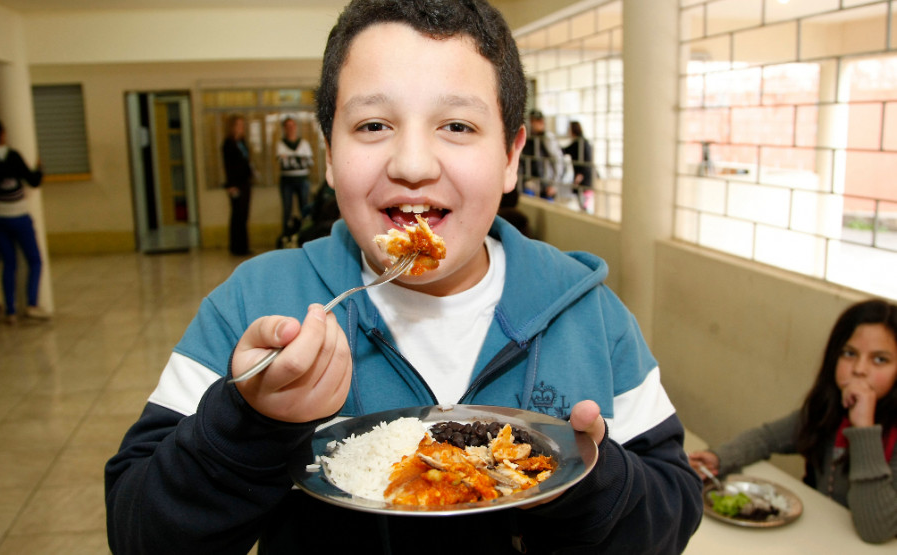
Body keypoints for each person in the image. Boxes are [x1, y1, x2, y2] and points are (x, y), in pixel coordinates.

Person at [105, 1, 702, 553]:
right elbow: (140, 531)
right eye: (372, 126)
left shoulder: (590, 315)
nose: (412, 164)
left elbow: (672, 510)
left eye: (458, 126)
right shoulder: (256, 303)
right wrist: (250, 423)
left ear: (511, 157)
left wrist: (581, 480)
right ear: (330, 156)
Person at [689, 299, 897, 544]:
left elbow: (875, 529)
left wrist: (863, 428)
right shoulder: (829, 408)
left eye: (880, 360)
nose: (860, 369)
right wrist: (719, 458)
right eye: (849, 354)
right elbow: (766, 438)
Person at [0, 117, 49, 324]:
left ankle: (10, 311)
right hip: (18, 216)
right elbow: (33, 181)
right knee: (35, 260)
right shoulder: (13, 156)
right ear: (2, 134)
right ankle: (31, 305)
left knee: (8, 264)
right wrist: (40, 169)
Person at [276, 116, 314, 246]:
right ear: (284, 129)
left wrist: (291, 159)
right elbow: (283, 162)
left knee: (305, 208)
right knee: (287, 210)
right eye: (288, 126)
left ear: (296, 127)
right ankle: (286, 237)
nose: (290, 129)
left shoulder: (304, 143)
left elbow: (308, 161)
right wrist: (299, 159)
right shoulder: (280, 144)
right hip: (287, 181)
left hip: (302, 180)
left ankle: (304, 236)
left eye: (293, 126)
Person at [221, 114, 253, 256]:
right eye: (238, 125)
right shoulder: (228, 144)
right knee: (237, 215)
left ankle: (243, 246)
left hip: (245, 182)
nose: (241, 128)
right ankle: (236, 247)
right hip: (235, 184)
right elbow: (228, 166)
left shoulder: (242, 142)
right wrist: (230, 185)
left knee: (244, 215)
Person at [519, 109, 564, 200]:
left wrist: (554, 185)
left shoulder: (547, 138)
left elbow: (558, 160)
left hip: (546, 184)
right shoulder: (528, 138)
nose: (532, 124)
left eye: (535, 121)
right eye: (531, 121)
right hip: (531, 183)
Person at [562, 120, 594, 193]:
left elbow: (586, 161)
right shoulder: (583, 141)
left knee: (583, 200)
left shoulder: (579, 143)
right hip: (586, 178)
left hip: (583, 179)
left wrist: (579, 176)